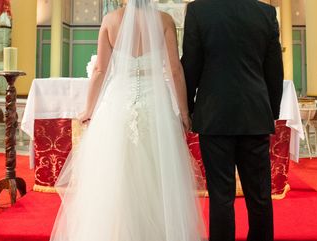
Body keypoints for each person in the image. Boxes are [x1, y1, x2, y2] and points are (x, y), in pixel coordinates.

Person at [50, 0, 205, 240]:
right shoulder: (164, 20)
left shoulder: (111, 20)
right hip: (155, 104)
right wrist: (184, 113)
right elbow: (175, 69)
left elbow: (101, 70)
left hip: (118, 102)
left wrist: (89, 109)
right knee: (157, 175)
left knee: (116, 174)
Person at [181, 1, 283, 241]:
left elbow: (191, 65)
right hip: (254, 114)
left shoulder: (198, 10)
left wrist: (190, 107)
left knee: (221, 197)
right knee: (259, 195)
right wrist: (271, 111)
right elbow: (274, 70)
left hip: (215, 114)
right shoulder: (265, 12)